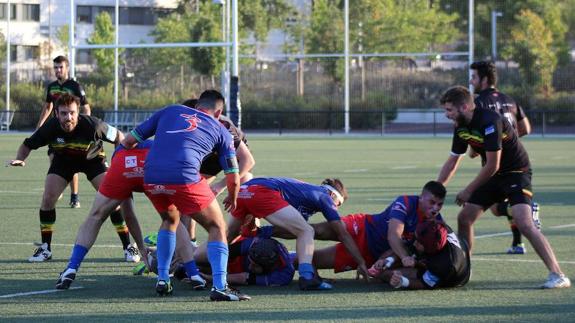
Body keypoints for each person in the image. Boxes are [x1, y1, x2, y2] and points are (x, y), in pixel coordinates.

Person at [121, 89, 250, 301]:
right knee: (217, 227)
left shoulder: (169, 111)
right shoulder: (221, 129)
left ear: (197, 106)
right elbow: (234, 177)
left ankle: (163, 279)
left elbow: (128, 142)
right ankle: (220, 286)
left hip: (151, 175)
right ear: (219, 113)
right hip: (184, 176)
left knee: (170, 220)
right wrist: (232, 197)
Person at [436, 85, 570, 289]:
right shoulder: (460, 126)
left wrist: (468, 190)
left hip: (516, 171)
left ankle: (558, 274)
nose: (446, 115)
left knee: (524, 223)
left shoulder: (490, 121)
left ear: (463, 107)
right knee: (465, 217)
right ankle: (465, 269)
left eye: (449, 110)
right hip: (493, 176)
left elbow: (492, 165)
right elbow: (453, 160)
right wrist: (437, 187)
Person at [7, 93, 137, 263]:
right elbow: (27, 144)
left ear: (78, 112)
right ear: (56, 114)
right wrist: (21, 158)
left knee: (112, 201)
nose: (68, 117)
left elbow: (119, 136)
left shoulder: (93, 124)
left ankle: (128, 246)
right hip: (64, 162)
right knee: (48, 198)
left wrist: (118, 160)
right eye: (63, 113)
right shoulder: (50, 127)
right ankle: (46, 249)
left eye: (72, 113)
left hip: (93, 161)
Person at [226, 177, 369, 290]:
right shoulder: (323, 196)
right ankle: (307, 277)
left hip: (244, 190)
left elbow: (292, 232)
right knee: (307, 231)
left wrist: (261, 232)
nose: (335, 207)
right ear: (332, 194)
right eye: (338, 203)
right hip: (261, 190)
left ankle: (205, 267)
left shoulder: (303, 195)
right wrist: (361, 262)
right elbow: (342, 233)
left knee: (227, 239)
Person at [55, 140, 158, 289]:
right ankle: (183, 268)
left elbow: (128, 215)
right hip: (154, 160)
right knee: (172, 218)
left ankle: (72, 267)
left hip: (122, 160)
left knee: (96, 216)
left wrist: (142, 248)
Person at [470, 61, 539, 255]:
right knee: (508, 204)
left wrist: (481, 148)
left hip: (494, 164)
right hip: (516, 158)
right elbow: (526, 128)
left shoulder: (478, 102)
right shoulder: (509, 99)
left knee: (490, 207)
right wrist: (509, 140)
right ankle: (518, 243)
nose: (471, 80)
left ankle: (527, 215)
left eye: (474, 77)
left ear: (483, 79)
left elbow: (475, 136)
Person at [309, 181, 446, 277]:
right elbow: (393, 235)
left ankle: (287, 259)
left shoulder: (436, 224)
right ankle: (289, 226)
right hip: (363, 227)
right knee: (315, 231)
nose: (435, 209)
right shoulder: (406, 202)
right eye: (432, 202)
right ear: (421, 198)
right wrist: (404, 257)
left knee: (314, 260)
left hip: (371, 255)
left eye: (440, 205)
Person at [180, 97, 255, 247]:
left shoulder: (223, 126)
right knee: (189, 194)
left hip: (232, 155)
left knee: (247, 185)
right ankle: (190, 243)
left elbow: (248, 161)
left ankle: (250, 237)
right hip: (210, 156)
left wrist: (221, 185)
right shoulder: (187, 125)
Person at [37, 56, 91, 209]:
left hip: (72, 131)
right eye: (55, 67)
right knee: (54, 158)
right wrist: (40, 126)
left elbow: (86, 107)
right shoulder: (52, 87)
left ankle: (74, 197)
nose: (58, 70)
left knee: (71, 162)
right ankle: (58, 186)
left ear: (67, 68)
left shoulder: (75, 86)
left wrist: (84, 126)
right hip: (56, 130)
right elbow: (48, 107)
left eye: (60, 67)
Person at [379, 220, 471, 290]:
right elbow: (411, 246)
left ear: (430, 248)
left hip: (453, 277)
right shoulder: (436, 228)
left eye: (419, 242)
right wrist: (389, 260)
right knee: (391, 254)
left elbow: (423, 283)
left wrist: (402, 281)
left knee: (386, 275)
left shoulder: (445, 265)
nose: (415, 243)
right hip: (438, 257)